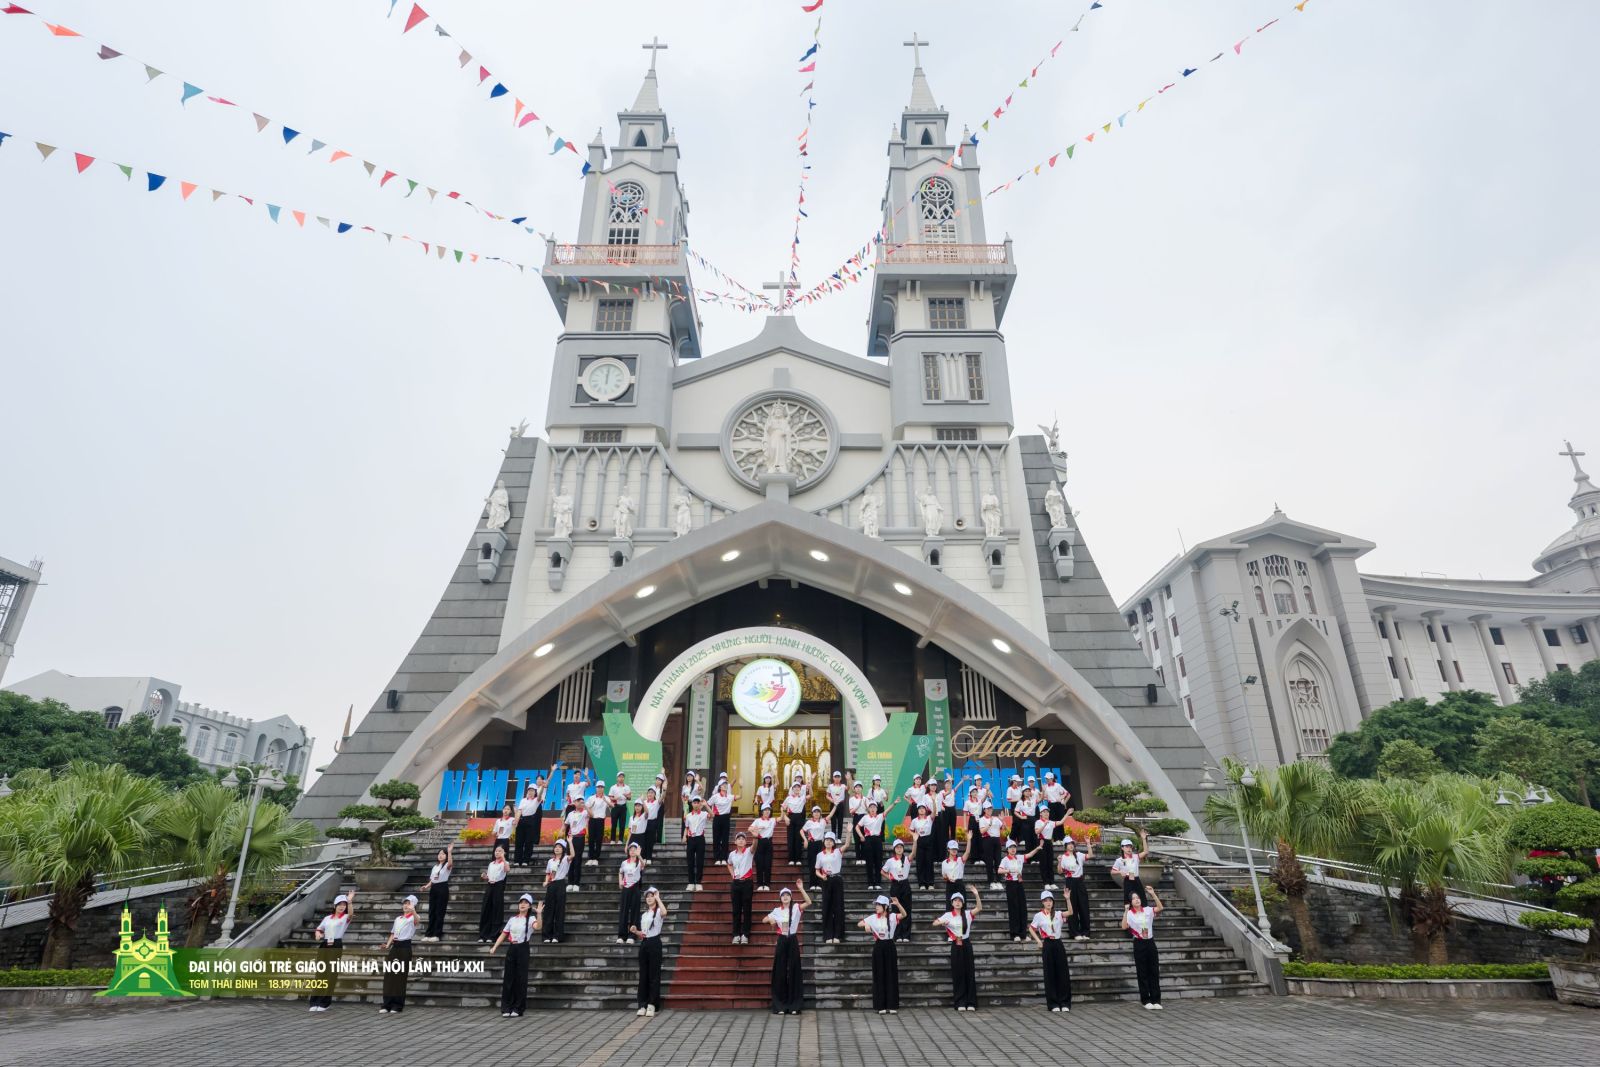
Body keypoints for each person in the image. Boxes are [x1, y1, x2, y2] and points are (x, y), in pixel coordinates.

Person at [487, 893, 541, 1018]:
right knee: (509, 978)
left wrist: (539, 914)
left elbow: (538, 927)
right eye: (521, 902)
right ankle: (506, 1007)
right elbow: (504, 934)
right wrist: (495, 947)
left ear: (529, 906)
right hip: (512, 948)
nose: (522, 904)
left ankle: (518, 1008)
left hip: (523, 948)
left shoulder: (531, 919)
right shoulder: (512, 919)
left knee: (521, 979)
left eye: (526, 903)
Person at [931, 888, 983, 1011]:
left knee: (969, 972)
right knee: (958, 973)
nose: (958, 902)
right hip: (956, 944)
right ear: (952, 903)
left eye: (960, 900)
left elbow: (979, 908)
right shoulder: (948, 915)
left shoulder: (967, 914)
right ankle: (960, 1002)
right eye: (955, 900)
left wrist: (976, 895)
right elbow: (934, 923)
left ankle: (971, 1002)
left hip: (966, 944)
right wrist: (942, 922)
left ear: (963, 903)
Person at [765, 881, 812, 1015]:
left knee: (794, 970)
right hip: (782, 940)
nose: (785, 897)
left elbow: (808, 902)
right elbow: (764, 919)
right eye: (783, 895)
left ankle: (794, 1005)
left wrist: (801, 889)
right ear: (780, 898)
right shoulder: (777, 910)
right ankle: (780, 1005)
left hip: (792, 939)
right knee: (780, 970)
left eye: (787, 895)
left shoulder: (796, 907)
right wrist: (771, 920)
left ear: (791, 897)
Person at [858, 894, 907, 1014]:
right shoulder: (873, 917)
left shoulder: (892, 917)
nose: (877, 907)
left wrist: (898, 904)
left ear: (885, 906)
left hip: (890, 945)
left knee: (891, 974)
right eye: (876, 905)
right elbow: (859, 923)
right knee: (879, 974)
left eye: (879, 905)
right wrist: (866, 924)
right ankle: (881, 1006)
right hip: (879, 946)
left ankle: (892, 1005)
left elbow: (904, 914)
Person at [308, 890, 354, 1011]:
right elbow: (319, 929)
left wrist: (349, 901)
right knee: (320, 973)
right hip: (325, 945)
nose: (342, 907)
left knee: (330, 974)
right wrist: (318, 934)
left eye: (344, 905)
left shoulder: (345, 918)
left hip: (336, 945)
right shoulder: (327, 918)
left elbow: (350, 914)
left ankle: (325, 1002)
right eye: (340, 904)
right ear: (335, 906)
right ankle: (314, 1001)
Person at [1028, 889, 1072, 1012]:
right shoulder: (1039, 915)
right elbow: (1031, 928)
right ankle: (1053, 1003)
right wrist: (1038, 940)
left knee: (1062, 973)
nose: (1048, 903)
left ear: (1053, 902)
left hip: (1058, 943)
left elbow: (1070, 912)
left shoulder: (1058, 914)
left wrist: (1068, 899)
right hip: (1047, 944)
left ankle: (1064, 1002)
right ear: (1042, 902)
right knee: (1050, 973)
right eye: (1046, 900)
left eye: (1050, 900)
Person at [1122, 888, 1164, 1009]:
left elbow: (1160, 908)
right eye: (1134, 899)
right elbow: (1124, 926)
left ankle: (1156, 1000)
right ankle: (1146, 1000)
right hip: (1139, 943)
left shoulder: (1147, 910)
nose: (1137, 900)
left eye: (1138, 898)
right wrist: (1125, 911)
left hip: (1150, 942)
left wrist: (1153, 894)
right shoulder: (1130, 914)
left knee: (1154, 971)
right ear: (1131, 902)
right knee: (1142, 972)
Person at [631, 886, 669, 1018]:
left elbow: (665, 912)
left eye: (651, 896)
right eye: (647, 897)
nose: (649, 898)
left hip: (655, 943)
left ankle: (652, 1004)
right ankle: (642, 1004)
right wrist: (636, 931)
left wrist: (658, 898)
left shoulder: (658, 912)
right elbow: (643, 934)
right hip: (645, 943)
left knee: (654, 975)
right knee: (643, 975)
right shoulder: (644, 915)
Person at [379, 895, 418, 1013]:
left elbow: (417, 921)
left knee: (400, 977)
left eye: (409, 903)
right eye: (405, 903)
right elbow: (393, 933)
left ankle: (397, 1005)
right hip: (395, 947)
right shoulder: (398, 918)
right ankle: (386, 1004)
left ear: (413, 905)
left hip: (405, 947)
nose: (406, 906)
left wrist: (413, 911)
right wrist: (387, 945)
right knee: (389, 975)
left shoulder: (413, 918)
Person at [1000, 838, 1043, 942]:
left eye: (1014, 847)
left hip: (1019, 884)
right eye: (1011, 847)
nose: (1013, 849)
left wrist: (1037, 848)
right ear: (1007, 849)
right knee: (1013, 909)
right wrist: (1008, 870)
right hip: (1011, 884)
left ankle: (1023, 933)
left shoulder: (1019, 857)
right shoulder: (1005, 860)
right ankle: (1015, 934)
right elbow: (999, 870)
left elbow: (1029, 855)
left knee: (1022, 909)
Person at [514, 773, 550, 867]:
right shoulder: (523, 800)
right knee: (519, 841)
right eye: (529, 790)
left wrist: (542, 787)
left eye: (532, 790)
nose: (530, 792)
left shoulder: (536, 800)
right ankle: (517, 860)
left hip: (531, 821)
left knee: (529, 841)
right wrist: (516, 821)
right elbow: (519, 811)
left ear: (535, 792)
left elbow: (540, 795)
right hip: (521, 820)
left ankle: (526, 860)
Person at [815, 832, 845, 943]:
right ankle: (828, 935)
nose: (828, 842)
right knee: (827, 907)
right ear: (824, 841)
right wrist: (821, 876)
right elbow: (817, 870)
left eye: (830, 840)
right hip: (826, 880)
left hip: (837, 879)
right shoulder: (820, 855)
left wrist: (849, 832)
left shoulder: (837, 852)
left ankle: (838, 935)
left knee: (838, 907)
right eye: (827, 840)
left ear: (833, 843)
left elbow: (847, 845)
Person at [1059, 838, 1091, 941]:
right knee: (1072, 907)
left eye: (1072, 843)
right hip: (1070, 882)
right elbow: (1060, 871)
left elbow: (1090, 855)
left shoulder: (1079, 855)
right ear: (1065, 846)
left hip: (1080, 882)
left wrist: (1088, 844)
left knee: (1084, 907)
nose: (1071, 845)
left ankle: (1086, 932)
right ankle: (1075, 932)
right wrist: (1059, 862)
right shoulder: (1063, 857)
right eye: (1068, 844)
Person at [616, 841, 648, 943]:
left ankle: (632, 935)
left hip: (635, 888)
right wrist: (620, 881)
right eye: (631, 850)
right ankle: (622, 935)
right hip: (626, 888)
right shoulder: (624, 862)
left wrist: (639, 855)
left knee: (635, 911)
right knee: (624, 911)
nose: (632, 851)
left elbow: (644, 865)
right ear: (628, 851)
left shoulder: (639, 862)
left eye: (634, 850)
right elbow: (620, 872)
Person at [882, 839, 913, 941]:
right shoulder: (890, 861)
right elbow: (882, 871)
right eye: (897, 847)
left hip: (905, 884)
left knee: (907, 909)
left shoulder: (907, 859)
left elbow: (913, 853)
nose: (899, 849)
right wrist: (890, 877)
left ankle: (906, 935)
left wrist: (915, 841)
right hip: (895, 885)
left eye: (901, 847)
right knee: (895, 911)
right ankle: (898, 935)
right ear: (894, 849)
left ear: (903, 849)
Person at [478, 845, 511, 943]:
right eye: (496, 851)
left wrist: (503, 858)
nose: (497, 852)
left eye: (500, 851)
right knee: (486, 909)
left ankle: (493, 935)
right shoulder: (491, 864)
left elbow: (507, 870)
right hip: (490, 886)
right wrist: (485, 876)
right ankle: (483, 935)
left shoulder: (505, 862)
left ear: (504, 852)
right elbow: (489, 876)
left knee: (497, 910)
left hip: (498, 886)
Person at [729, 830, 757, 944]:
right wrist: (733, 875)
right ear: (735, 842)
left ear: (745, 842)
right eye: (739, 839)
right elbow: (729, 864)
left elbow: (754, 847)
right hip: (736, 884)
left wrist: (755, 837)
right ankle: (736, 934)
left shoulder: (749, 852)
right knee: (736, 910)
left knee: (746, 909)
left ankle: (745, 934)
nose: (741, 840)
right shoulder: (732, 854)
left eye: (743, 839)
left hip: (747, 883)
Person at [542, 840, 571, 942]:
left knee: (559, 910)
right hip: (551, 885)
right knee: (549, 910)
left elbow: (573, 855)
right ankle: (546, 935)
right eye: (556, 847)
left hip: (560, 884)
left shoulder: (565, 859)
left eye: (559, 847)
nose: (557, 849)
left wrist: (570, 842)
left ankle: (557, 936)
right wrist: (546, 881)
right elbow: (548, 873)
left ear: (563, 849)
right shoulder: (551, 861)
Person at [422, 845, 452, 942]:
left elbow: (450, 863)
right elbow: (432, 879)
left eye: (443, 854)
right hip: (434, 888)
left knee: (439, 912)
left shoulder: (447, 866)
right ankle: (429, 934)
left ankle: (437, 934)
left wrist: (449, 852)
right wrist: (426, 886)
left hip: (442, 888)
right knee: (432, 912)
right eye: (439, 854)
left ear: (446, 856)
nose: (440, 855)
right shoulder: (435, 867)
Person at [855, 801, 886, 890]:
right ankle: (870, 883)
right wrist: (861, 836)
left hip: (877, 840)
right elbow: (857, 827)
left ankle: (878, 883)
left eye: (874, 807)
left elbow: (887, 810)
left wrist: (894, 804)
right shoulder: (865, 817)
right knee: (869, 862)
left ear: (877, 809)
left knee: (878, 862)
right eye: (871, 807)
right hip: (868, 840)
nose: (872, 809)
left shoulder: (880, 816)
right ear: (868, 809)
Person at [1112, 830, 1149, 905]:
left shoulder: (1136, 856)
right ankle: (1128, 912)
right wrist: (1119, 872)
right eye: (1126, 847)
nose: (1129, 848)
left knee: (1142, 898)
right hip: (1128, 880)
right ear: (1122, 848)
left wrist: (1144, 839)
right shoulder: (1119, 860)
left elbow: (1145, 852)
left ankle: (1143, 910)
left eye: (1130, 847)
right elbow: (1112, 871)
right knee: (1128, 900)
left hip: (1136, 879)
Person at [682, 794, 709, 891]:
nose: (696, 804)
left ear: (700, 804)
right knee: (690, 861)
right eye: (694, 802)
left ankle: (698, 882)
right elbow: (687, 827)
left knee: (700, 861)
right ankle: (690, 882)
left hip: (700, 839)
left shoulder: (704, 814)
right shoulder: (688, 815)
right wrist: (684, 836)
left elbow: (713, 815)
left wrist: (706, 805)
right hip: (691, 839)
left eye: (698, 802)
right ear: (692, 804)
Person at [708, 779, 738, 863]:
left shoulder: (729, 796)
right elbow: (708, 804)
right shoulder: (715, 796)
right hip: (717, 818)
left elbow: (740, 797)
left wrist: (741, 787)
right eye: (723, 785)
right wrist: (711, 813)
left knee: (725, 838)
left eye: (726, 784)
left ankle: (724, 858)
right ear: (720, 787)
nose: (725, 786)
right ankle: (717, 858)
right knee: (716, 838)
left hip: (726, 818)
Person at [977, 800, 1005, 889]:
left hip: (997, 840)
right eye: (988, 809)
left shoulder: (996, 818)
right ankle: (991, 881)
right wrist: (989, 824)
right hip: (987, 840)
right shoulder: (982, 819)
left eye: (991, 808)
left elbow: (1003, 828)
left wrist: (1002, 820)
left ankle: (999, 880)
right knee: (989, 862)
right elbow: (982, 831)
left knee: (998, 861)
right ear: (984, 810)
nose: (990, 810)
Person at [749, 805, 778, 890]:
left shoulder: (772, 820)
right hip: (759, 842)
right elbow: (749, 828)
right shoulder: (758, 820)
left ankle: (767, 884)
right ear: (762, 811)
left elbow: (780, 818)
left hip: (768, 842)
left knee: (768, 864)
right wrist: (757, 829)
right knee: (759, 864)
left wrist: (783, 810)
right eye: (765, 810)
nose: (767, 811)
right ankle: (760, 884)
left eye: (769, 810)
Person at [780, 779, 808, 865]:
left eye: (798, 787)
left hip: (799, 818)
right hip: (790, 818)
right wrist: (785, 817)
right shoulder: (788, 798)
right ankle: (791, 859)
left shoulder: (802, 797)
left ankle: (798, 859)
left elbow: (811, 795)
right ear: (792, 789)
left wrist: (810, 784)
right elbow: (782, 808)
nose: (796, 788)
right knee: (791, 838)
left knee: (798, 838)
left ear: (800, 789)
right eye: (795, 787)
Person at [562, 799, 588, 889]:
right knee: (570, 860)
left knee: (577, 860)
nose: (580, 803)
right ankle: (570, 882)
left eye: (581, 801)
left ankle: (576, 883)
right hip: (571, 838)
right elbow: (565, 824)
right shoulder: (570, 814)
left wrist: (585, 806)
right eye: (578, 801)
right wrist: (561, 831)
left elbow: (592, 815)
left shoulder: (584, 812)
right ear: (575, 803)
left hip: (580, 837)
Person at [910, 804, 936, 889]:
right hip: (919, 840)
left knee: (929, 862)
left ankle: (930, 883)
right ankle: (922, 884)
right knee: (920, 863)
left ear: (926, 810)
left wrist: (933, 801)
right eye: (920, 808)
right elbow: (910, 830)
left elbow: (934, 812)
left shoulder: (929, 818)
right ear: (917, 810)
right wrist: (914, 835)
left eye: (923, 808)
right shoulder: (914, 820)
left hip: (928, 840)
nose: (921, 810)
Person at [584, 787, 612, 867]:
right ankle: (590, 858)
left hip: (600, 820)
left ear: (603, 788)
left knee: (599, 839)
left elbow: (612, 806)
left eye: (601, 787)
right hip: (592, 820)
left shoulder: (606, 798)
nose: (600, 789)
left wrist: (605, 800)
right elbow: (586, 807)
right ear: (596, 788)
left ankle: (596, 858)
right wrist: (590, 808)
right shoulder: (591, 798)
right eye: (598, 787)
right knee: (591, 839)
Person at [1034, 809, 1060, 890]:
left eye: (1047, 812)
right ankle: (1046, 883)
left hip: (1049, 842)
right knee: (1043, 863)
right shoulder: (1038, 822)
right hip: (1042, 842)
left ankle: (1052, 882)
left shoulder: (1051, 822)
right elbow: (1037, 832)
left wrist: (1067, 814)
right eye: (1044, 812)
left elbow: (1061, 822)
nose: (1046, 813)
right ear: (1041, 813)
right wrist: (1044, 824)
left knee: (1050, 863)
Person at [941, 839, 970, 909]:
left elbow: (967, 852)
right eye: (952, 848)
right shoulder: (944, 862)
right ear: (948, 849)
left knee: (962, 906)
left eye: (956, 849)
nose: (954, 850)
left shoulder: (960, 860)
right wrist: (948, 878)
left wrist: (969, 840)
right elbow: (944, 876)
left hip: (959, 884)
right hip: (949, 885)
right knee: (949, 906)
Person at [608, 773, 633, 842]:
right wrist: (615, 798)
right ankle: (612, 840)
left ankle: (620, 840)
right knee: (614, 824)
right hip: (615, 806)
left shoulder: (627, 787)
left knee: (622, 824)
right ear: (617, 778)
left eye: (622, 777)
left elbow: (630, 797)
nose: (621, 778)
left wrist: (626, 795)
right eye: (620, 777)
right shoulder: (613, 787)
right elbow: (610, 797)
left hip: (623, 807)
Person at [641, 786, 664, 861]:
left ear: (654, 794)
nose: (650, 794)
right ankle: (643, 857)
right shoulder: (644, 802)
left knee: (650, 841)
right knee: (644, 840)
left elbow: (662, 797)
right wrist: (642, 801)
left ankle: (649, 858)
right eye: (649, 793)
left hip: (652, 822)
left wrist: (664, 790)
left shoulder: (656, 802)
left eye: (652, 793)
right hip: (644, 822)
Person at [825, 770, 850, 841]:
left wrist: (848, 780)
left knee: (840, 821)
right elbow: (827, 795)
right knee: (833, 822)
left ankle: (839, 838)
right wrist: (832, 800)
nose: (837, 778)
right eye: (835, 777)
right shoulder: (830, 786)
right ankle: (833, 837)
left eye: (838, 777)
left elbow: (848, 788)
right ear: (833, 778)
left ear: (840, 778)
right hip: (833, 804)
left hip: (840, 805)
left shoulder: (843, 786)